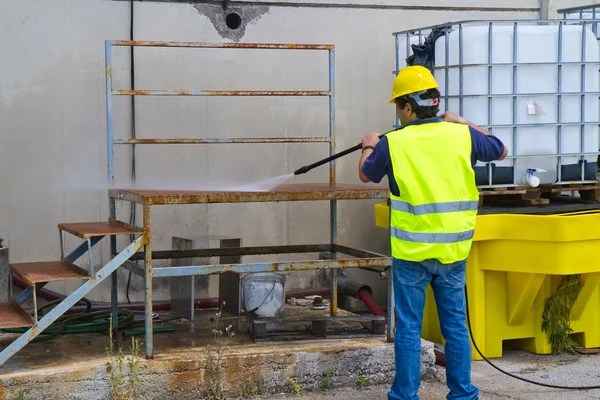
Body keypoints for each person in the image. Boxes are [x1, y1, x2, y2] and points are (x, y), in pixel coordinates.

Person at [358, 65, 508, 400]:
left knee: (409, 327)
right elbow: (500, 148)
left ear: (408, 107)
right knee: (454, 325)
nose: (397, 113)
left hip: (412, 255)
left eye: (398, 105)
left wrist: (368, 145)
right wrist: (463, 122)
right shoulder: (462, 136)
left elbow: (366, 174)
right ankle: (462, 394)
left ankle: (405, 396)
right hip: (453, 253)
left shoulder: (391, 144)